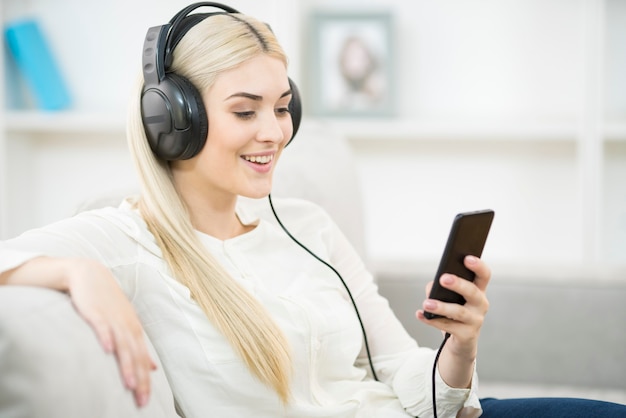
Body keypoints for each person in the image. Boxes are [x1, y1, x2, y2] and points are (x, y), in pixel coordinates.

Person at [0, 3, 625, 418]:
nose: (273, 131)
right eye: (245, 111)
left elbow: (404, 372)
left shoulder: (306, 224)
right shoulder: (127, 241)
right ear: (172, 122)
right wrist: (72, 272)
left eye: (281, 107)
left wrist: (460, 347)